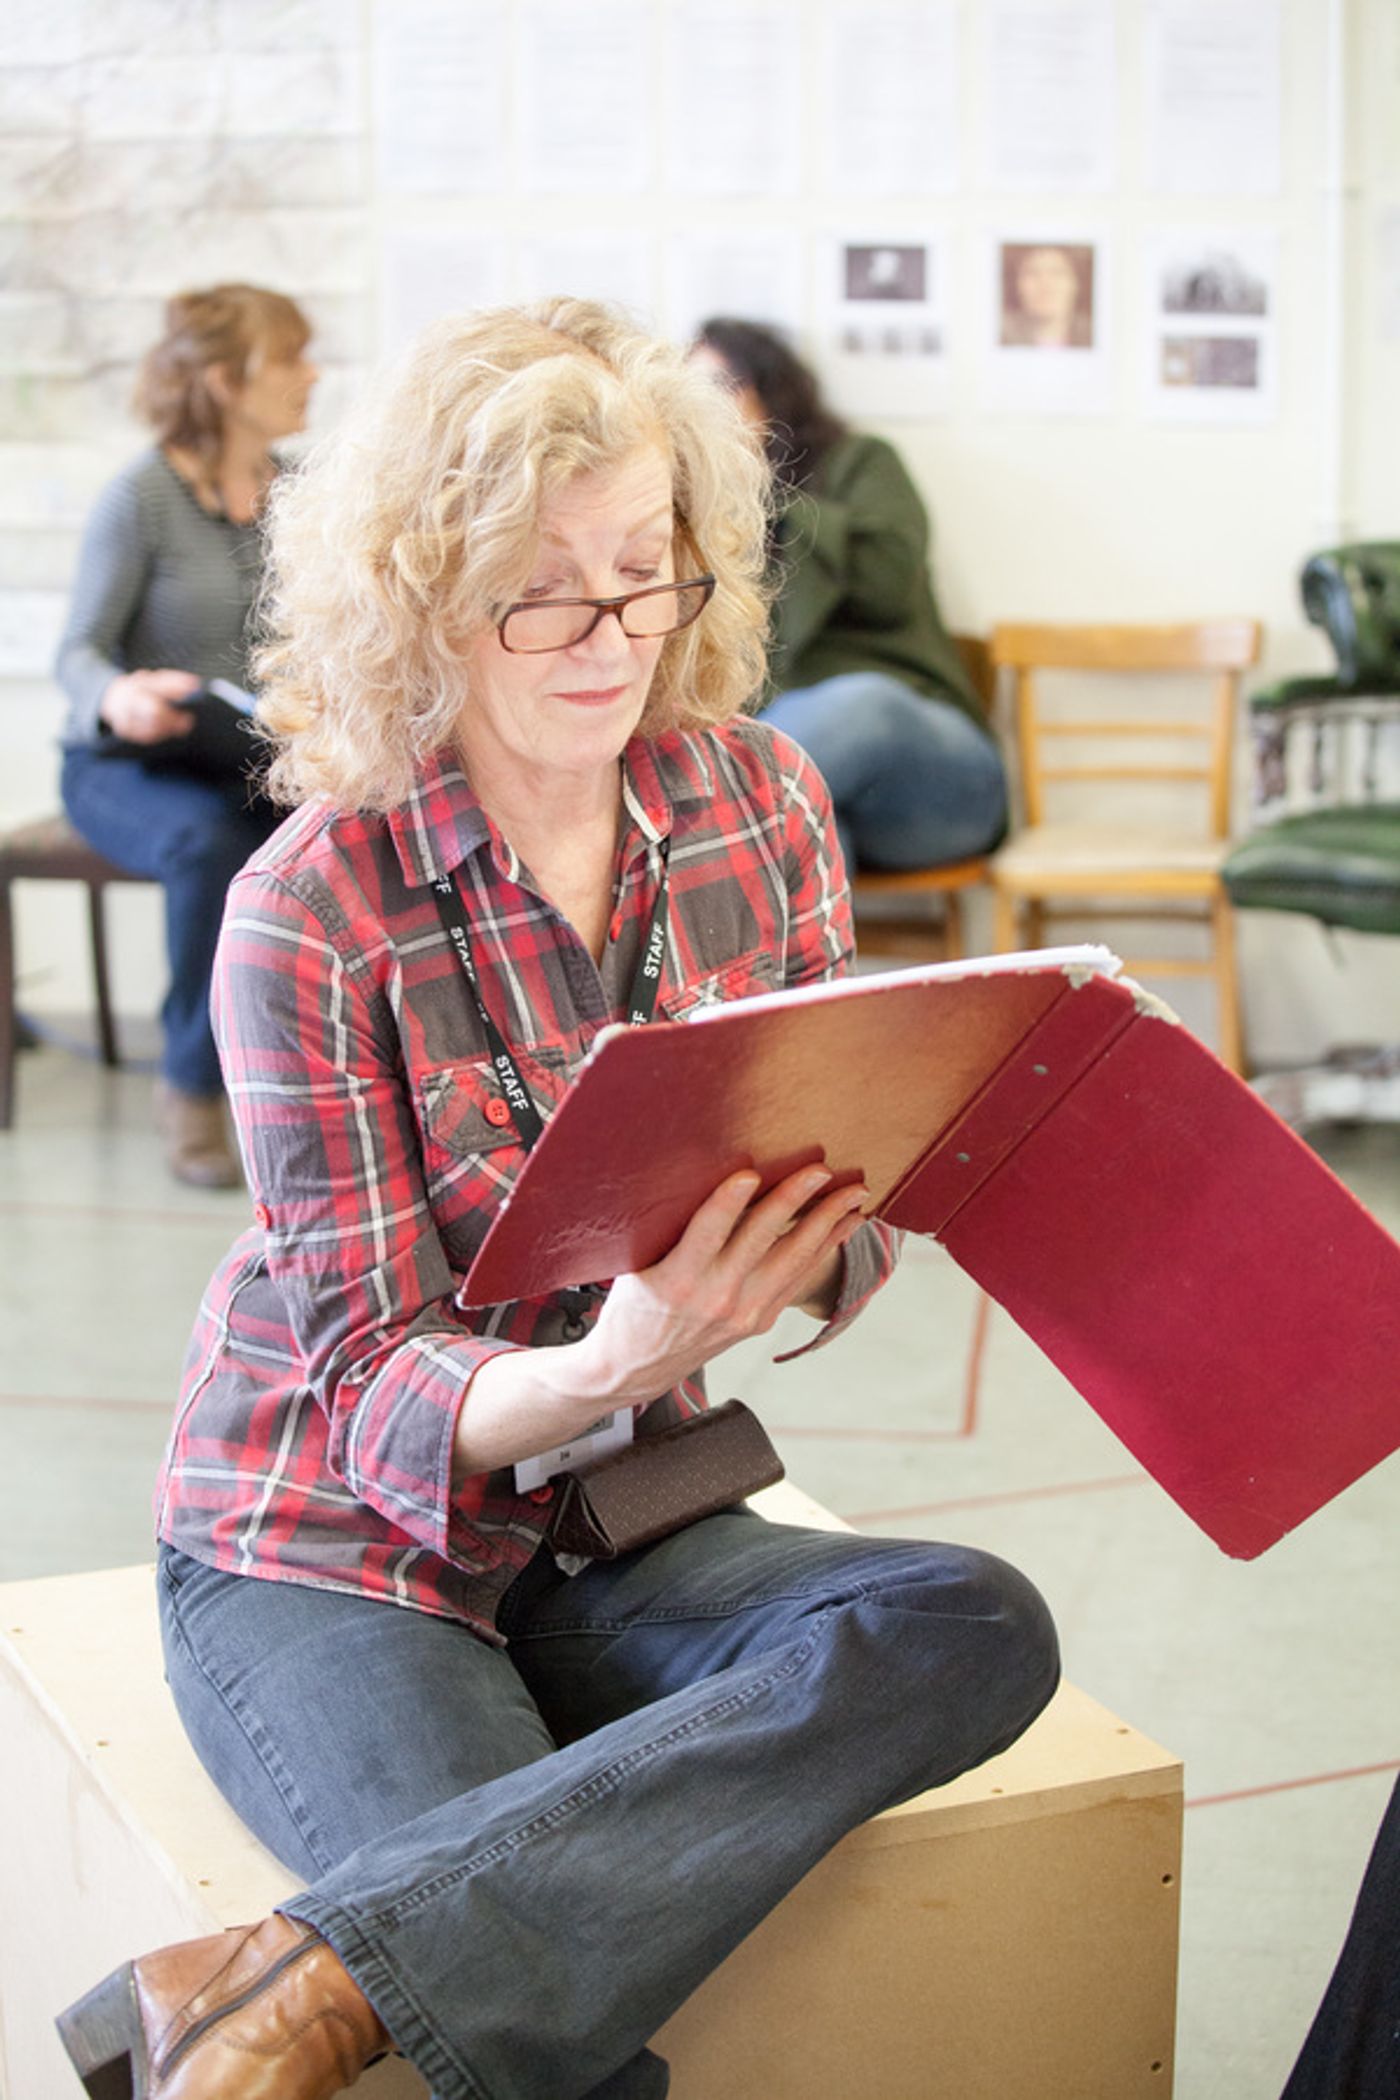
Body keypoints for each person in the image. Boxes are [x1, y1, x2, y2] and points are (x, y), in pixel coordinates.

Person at [55, 300, 1059, 2100]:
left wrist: (825, 1235)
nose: (610, 639)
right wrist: (616, 1358)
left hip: (615, 1524)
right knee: (554, 2051)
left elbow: (857, 1202)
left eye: (644, 573)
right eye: (544, 588)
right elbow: (369, 1388)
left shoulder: (759, 803)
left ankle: (281, 1982)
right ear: (423, 595)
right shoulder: (312, 904)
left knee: (966, 1623)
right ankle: (337, 1994)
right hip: (333, 1552)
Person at [55, 282, 319, 1188]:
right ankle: (191, 1092)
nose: (309, 375)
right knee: (209, 849)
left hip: (246, 751)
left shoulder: (299, 492)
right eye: (288, 358)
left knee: (344, 839)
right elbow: (78, 653)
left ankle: (307, 1092)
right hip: (129, 758)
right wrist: (119, 694)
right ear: (221, 379)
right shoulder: (142, 498)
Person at [690, 317, 1007, 879]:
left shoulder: (861, 463)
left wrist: (764, 494)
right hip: (816, 791)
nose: (708, 411)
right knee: (803, 823)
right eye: (692, 396)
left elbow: (888, 581)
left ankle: (698, 833)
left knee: (857, 705)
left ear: (771, 391)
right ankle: (807, 970)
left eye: (723, 389)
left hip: (932, 777)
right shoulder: (695, 517)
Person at [999, 243, 1095, 350]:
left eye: (1057, 273)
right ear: (1017, 285)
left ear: (1076, 283)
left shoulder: (1096, 334)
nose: (1045, 285)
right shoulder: (999, 335)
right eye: (1032, 273)